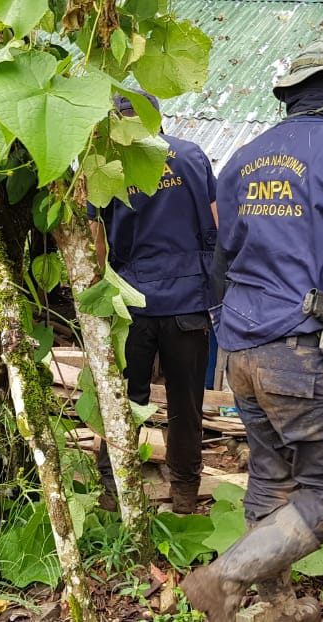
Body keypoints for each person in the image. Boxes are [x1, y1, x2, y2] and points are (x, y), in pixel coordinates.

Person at [183, 36, 323, 622]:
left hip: (241, 350)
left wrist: (222, 328)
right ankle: (225, 577)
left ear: (292, 95)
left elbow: (219, 258)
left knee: (272, 477)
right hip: (305, 355)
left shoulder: (241, 158)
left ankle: (278, 605)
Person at [91, 91, 217, 515]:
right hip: (189, 301)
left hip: (132, 303)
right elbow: (216, 225)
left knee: (123, 400)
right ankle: (184, 495)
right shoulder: (192, 156)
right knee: (187, 404)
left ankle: (114, 492)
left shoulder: (107, 167)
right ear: (157, 118)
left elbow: (96, 246)